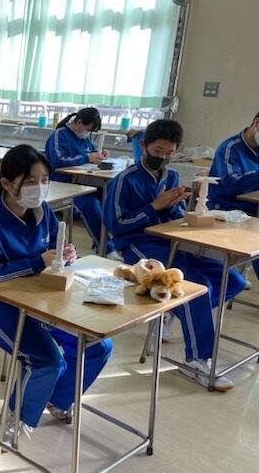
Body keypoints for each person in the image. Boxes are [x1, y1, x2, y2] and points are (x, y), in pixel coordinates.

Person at [0, 144, 113, 439]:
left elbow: (53, 246)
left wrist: (64, 253)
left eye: (44, 180)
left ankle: (57, 398)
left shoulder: (41, 210)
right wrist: (37, 262)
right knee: (47, 359)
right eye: (31, 181)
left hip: (37, 297)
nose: (40, 187)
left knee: (98, 347)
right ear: (7, 184)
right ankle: (14, 418)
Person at [104, 119, 245, 392]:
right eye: (158, 151)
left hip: (170, 241)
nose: (163, 157)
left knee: (233, 281)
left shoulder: (170, 176)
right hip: (137, 244)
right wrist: (154, 206)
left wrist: (181, 208)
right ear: (143, 145)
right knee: (198, 288)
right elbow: (115, 224)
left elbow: (174, 217)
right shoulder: (125, 180)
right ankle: (197, 360)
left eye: (169, 153)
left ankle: (171, 311)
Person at [45, 107, 115, 254]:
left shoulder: (85, 139)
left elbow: (93, 152)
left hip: (84, 184)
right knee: (91, 205)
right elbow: (57, 161)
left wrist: (101, 155)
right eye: (88, 130)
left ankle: (108, 243)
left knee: (109, 199)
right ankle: (107, 248)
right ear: (79, 123)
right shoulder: (59, 135)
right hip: (63, 185)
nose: (88, 134)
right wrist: (87, 157)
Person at [208, 110, 259, 215]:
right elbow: (232, 184)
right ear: (257, 123)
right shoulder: (228, 149)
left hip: (253, 209)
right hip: (227, 211)